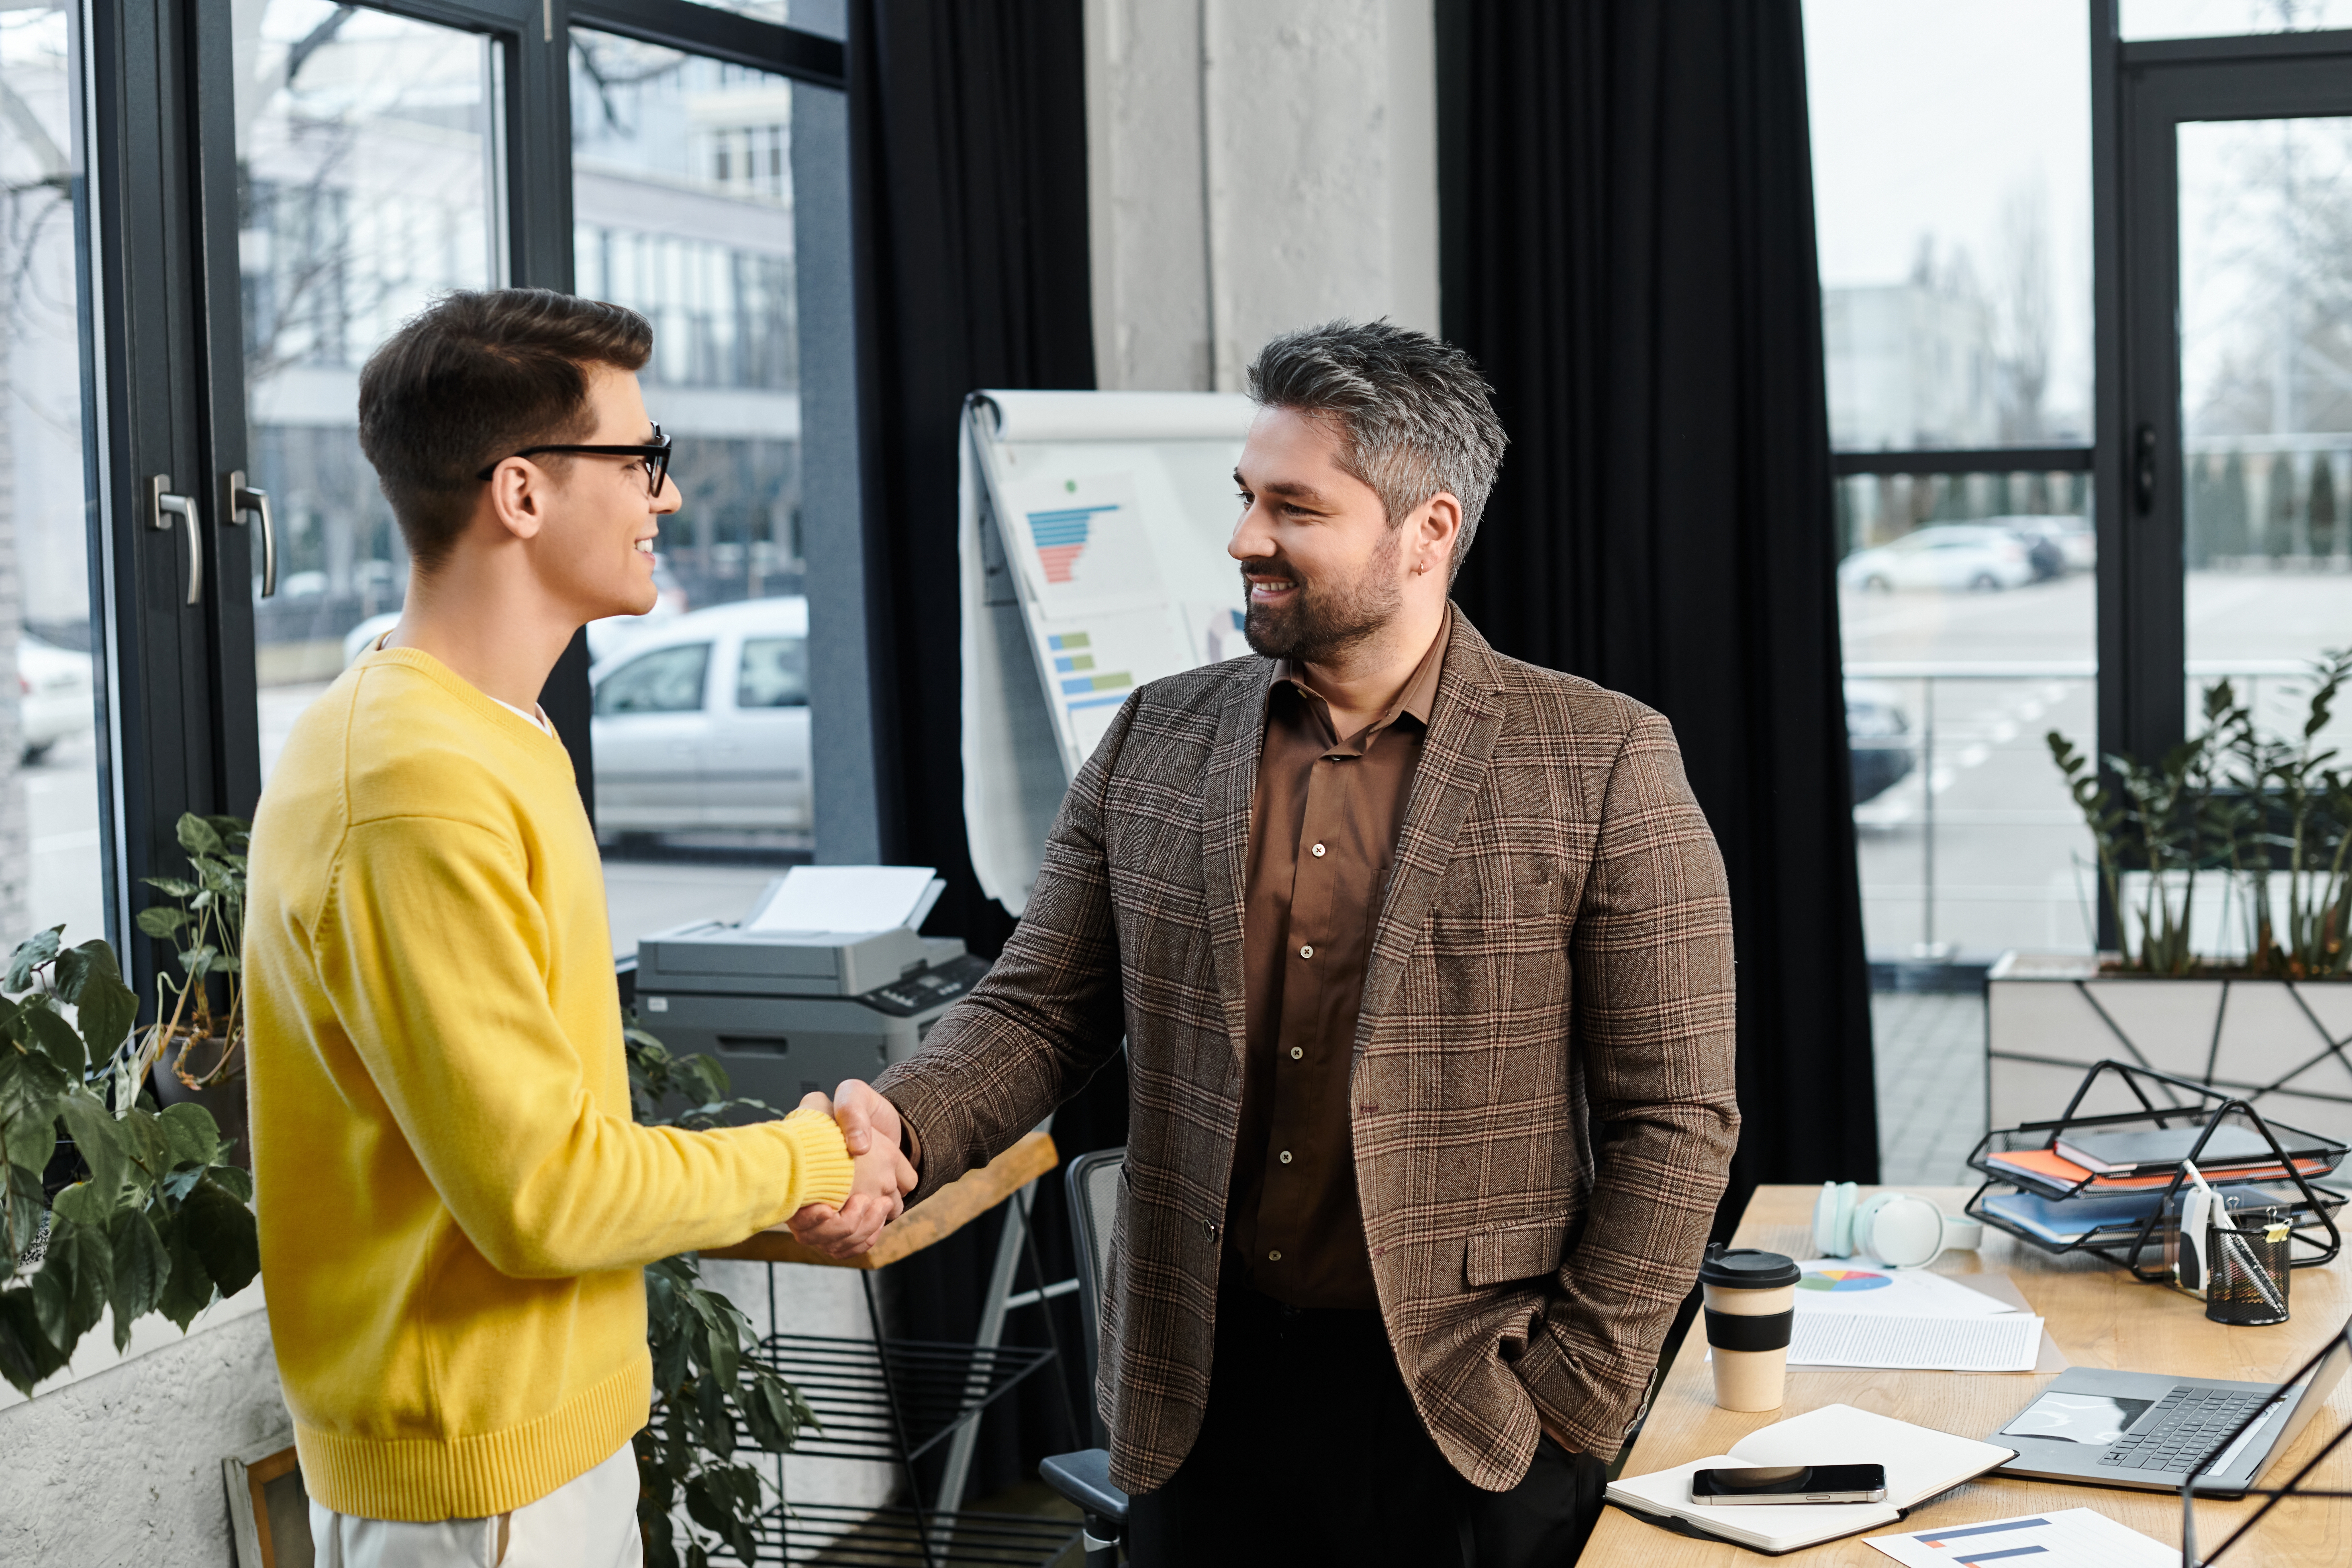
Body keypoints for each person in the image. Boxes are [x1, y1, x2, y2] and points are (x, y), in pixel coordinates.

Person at [808, 320, 1740, 1565]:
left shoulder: (1605, 757)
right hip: (1199, 1396)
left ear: (1429, 530)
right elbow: (1039, 1007)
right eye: (1247, 497)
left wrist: (1574, 1396)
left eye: (1294, 506)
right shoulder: (1155, 739)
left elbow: (1676, 1116)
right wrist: (907, 1126)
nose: (1246, 536)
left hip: (1472, 1408)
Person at [245, 288, 913, 1568]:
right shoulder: (408, 782)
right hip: (475, 1481)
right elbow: (547, 1195)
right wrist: (812, 1159)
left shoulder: (497, 732)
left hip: (537, 1452)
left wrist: (776, 1189)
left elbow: (541, 1146)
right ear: (522, 493)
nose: (665, 495)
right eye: (640, 458)